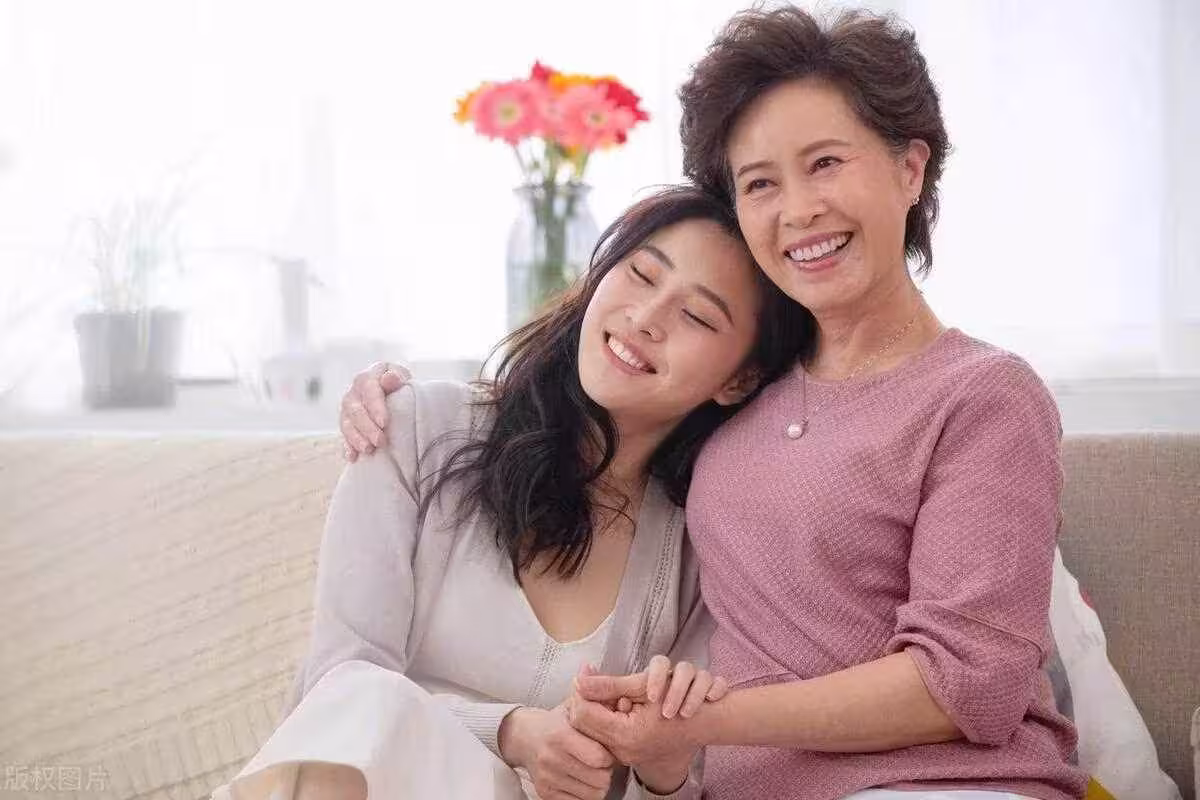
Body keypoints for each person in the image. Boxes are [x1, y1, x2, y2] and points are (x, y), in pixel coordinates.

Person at [341, 7, 1087, 800]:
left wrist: (710, 720)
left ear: (910, 169)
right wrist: (404, 399)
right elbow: (605, 392)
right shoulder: (731, 396)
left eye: (825, 163)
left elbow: (971, 682)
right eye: (760, 183)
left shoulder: (983, 395)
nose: (798, 209)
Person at [212, 185, 814, 800]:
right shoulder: (415, 429)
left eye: (698, 316)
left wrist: (663, 771)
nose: (646, 318)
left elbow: (667, 784)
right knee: (371, 701)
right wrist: (512, 732)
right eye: (640, 274)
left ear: (739, 380)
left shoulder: (703, 545)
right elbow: (336, 693)